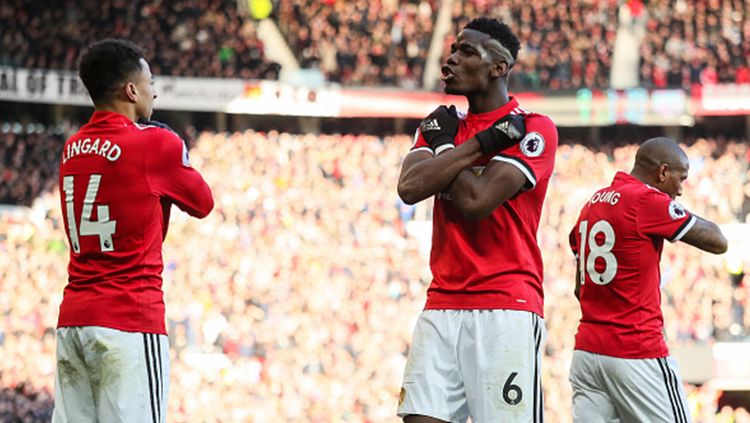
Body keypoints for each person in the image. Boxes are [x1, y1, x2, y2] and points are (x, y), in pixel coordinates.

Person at [396, 17, 558, 423]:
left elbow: (476, 201)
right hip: (442, 301)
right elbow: (411, 187)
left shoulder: (533, 129)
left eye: (466, 51)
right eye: (452, 49)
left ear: (498, 68)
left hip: (506, 304)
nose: (450, 59)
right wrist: (477, 144)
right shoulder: (440, 128)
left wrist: (446, 151)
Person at [53, 39, 214, 423]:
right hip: (128, 320)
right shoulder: (156, 143)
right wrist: (174, 144)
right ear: (131, 90)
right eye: (150, 80)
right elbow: (203, 203)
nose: (154, 90)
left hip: (74, 321)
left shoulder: (72, 147)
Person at [567, 137, 727, 422]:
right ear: (662, 172)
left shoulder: (591, 204)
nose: (680, 190)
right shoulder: (645, 199)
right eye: (681, 178)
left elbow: (580, 288)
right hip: (635, 350)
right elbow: (718, 241)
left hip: (587, 353)